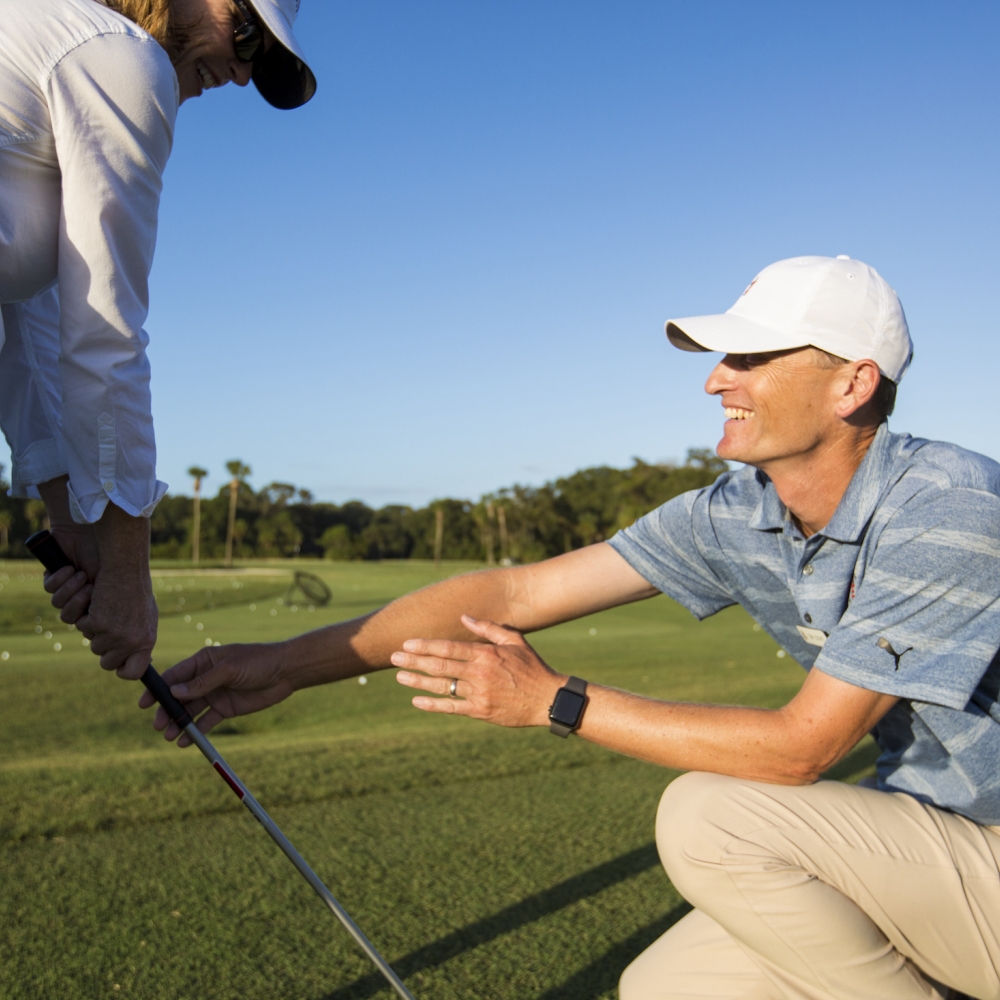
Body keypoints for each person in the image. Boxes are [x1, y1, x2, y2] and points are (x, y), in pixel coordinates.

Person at [147, 255, 1000, 1000]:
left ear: (852, 384)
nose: (715, 380)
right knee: (668, 987)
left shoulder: (945, 507)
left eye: (750, 358)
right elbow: (514, 592)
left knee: (711, 820)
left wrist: (556, 700)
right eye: (720, 359)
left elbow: (801, 751)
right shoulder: (738, 512)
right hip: (933, 837)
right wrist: (288, 666)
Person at [0, 0, 315, 679]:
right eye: (247, 31)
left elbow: (30, 320)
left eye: (260, 60)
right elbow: (105, 335)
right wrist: (126, 571)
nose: (240, 72)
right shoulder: (118, 55)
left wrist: (71, 521)